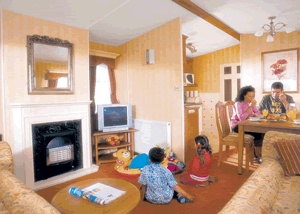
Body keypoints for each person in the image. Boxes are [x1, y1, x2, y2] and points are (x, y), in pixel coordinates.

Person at [231, 85, 264, 164]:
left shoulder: (250, 103)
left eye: (253, 96)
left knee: (261, 133)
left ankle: (257, 156)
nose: (252, 98)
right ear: (244, 95)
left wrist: (251, 113)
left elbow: (257, 113)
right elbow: (241, 118)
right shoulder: (238, 104)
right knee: (256, 134)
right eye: (250, 96)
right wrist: (250, 108)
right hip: (237, 126)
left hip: (247, 126)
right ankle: (255, 157)